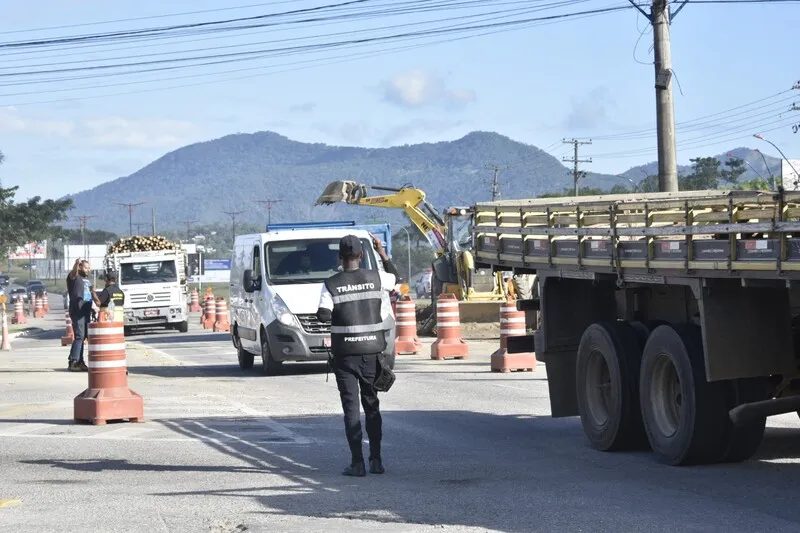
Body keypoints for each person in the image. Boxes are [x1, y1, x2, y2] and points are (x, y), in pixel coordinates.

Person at [316, 234, 398, 477]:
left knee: (351, 409)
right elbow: (396, 278)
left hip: (345, 356)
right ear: (362, 256)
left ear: (340, 257)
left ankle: (357, 463)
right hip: (372, 353)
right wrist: (382, 252)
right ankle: (376, 460)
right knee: (372, 406)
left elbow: (322, 314)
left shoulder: (331, 283)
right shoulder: (377, 278)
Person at [66, 258, 93, 372]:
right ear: (80, 267)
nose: (88, 270)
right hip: (78, 311)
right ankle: (73, 361)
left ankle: (80, 361)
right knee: (79, 336)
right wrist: (76, 264)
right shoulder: (74, 278)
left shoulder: (86, 280)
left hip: (86, 311)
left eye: (89, 268)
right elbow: (73, 273)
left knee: (84, 337)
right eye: (86, 267)